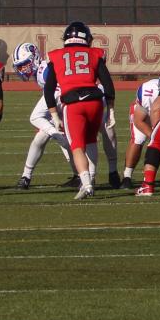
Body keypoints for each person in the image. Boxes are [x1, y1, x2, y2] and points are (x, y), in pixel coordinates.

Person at [43, 21, 118, 200]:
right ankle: (91, 177)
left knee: (77, 146)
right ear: (87, 38)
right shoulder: (95, 53)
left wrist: (54, 115)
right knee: (91, 141)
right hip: (95, 101)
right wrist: (112, 110)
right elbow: (108, 84)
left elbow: (49, 89)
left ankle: (86, 184)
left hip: (73, 103)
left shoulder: (56, 55)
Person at [11, 42, 70, 190]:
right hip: (59, 104)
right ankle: (26, 177)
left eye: (24, 64)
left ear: (34, 58)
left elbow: (57, 89)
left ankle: (82, 175)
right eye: (20, 66)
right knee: (40, 138)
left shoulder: (44, 69)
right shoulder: (41, 71)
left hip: (64, 103)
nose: (22, 69)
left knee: (37, 118)